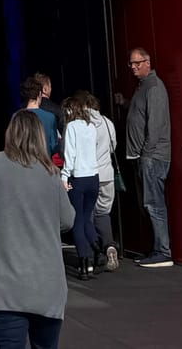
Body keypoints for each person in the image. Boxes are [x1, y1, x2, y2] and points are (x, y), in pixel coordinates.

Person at [0, 110, 76, 349]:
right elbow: (68, 220)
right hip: (47, 285)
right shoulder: (51, 172)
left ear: (10, 133)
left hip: (6, 287)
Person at [123, 47, 172, 266]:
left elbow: (155, 124)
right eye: (131, 64)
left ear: (147, 62)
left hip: (152, 157)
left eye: (137, 63)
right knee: (148, 204)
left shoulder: (154, 87)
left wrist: (146, 154)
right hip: (143, 157)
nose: (133, 67)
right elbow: (141, 115)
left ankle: (163, 251)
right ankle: (155, 249)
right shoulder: (143, 87)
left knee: (154, 204)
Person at [59, 93, 104, 280]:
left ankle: (84, 263)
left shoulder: (71, 127)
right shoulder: (91, 127)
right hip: (93, 177)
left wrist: (64, 176)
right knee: (87, 217)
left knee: (77, 220)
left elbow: (70, 154)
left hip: (77, 177)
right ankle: (96, 245)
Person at [85, 93, 121, 270]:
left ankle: (94, 252)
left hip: (90, 174)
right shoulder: (107, 122)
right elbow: (113, 146)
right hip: (107, 174)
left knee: (88, 214)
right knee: (103, 212)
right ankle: (110, 246)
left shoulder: (83, 124)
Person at [17, 75, 59, 161]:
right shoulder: (50, 117)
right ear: (40, 94)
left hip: (23, 162)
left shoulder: (16, 117)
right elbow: (54, 145)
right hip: (44, 163)